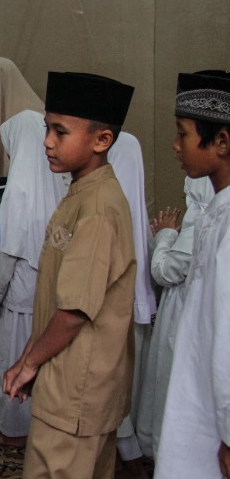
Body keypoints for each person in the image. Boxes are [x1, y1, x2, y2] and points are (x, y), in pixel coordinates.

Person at [4, 72, 136, 478]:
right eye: (47, 128)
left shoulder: (98, 208)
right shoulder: (80, 193)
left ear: (101, 140)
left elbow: (74, 311)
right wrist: (29, 358)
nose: (47, 141)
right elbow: (56, 298)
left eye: (60, 132)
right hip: (66, 379)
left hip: (77, 387)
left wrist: (31, 363)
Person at [155, 71, 230, 479]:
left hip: (215, 422)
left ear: (221, 142)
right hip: (200, 402)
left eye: (183, 133)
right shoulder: (216, 212)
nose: (175, 144)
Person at [0, 110, 67, 446]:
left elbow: (7, 252)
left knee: (12, 356)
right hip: (49, 291)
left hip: (19, 293)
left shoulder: (19, 186)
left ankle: (12, 430)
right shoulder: (60, 182)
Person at [136, 175, 212, 460]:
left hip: (182, 315)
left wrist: (166, 235)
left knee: (172, 382)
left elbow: (165, 271)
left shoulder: (204, 218)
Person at [108, 132, 157, 472]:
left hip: (115, 310)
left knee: (118, 388)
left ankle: (130, 460)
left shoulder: (111, 206)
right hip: (125, 305)